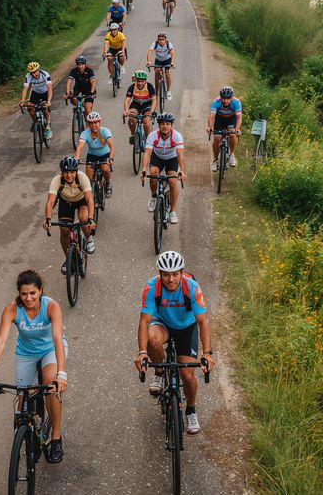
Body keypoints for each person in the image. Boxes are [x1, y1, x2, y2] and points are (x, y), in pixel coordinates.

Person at [0, 269, 69, 462]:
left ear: (41, 290)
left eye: (33, 293)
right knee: (23, 398)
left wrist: (61, 374)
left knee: (49, 384)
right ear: (19, 293)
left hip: (50, 350)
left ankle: (56, 436)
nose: (28, 298)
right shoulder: (12, 310)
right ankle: (27, 431)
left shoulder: (51, 306)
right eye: (24, 294)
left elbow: (57, 339)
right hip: (26, 353)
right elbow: (1, 342)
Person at [133, 251, 214, 435]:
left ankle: (191, 410)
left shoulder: (192, 287)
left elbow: (202, 322)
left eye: (175, 274)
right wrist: (142, 352)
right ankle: (159, 373)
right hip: (162, 323)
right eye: (166, 275)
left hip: (186, 327)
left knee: (187, 375)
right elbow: (144, 322)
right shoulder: (151, 287)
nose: (171, 279)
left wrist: (207, 353)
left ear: (181, 273)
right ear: (160, 274)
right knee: (153, 339)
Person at [44, 157, 96, 259]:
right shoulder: (57, 180)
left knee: (83, 218)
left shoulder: (82, 177)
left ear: (76, 171)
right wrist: (48, 219)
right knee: (64, 230)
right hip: (66, 202)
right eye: (66, 172)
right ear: (62, 172)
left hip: (81, 200)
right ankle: (68, 258)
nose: (69, 175)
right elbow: (50, 202)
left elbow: (90, 200)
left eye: (72, 172)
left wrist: (91, 219)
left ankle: (89, 238)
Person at [140, 112, 185, 223]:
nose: (165, 126)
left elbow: (180, 155)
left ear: (171, 125)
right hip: (157, 157)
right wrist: (144, 169)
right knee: (153, 174)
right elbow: (147, 153)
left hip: (172, 158)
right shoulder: (153, 136)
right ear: (159, 125)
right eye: (163, 124)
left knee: (172, 181)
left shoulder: (177, 136)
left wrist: (182, 171)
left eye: (168, 124)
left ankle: (172, 211)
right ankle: (153, 196)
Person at [74, 111, 115, 197]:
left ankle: (108, 183)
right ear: (88, 124)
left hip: (105, 155)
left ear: (99, 122)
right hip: (92, 156)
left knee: (105, 169)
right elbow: (80, 147)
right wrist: (76, 158)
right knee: (88, 179)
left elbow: (112, 147)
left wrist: (110, 158)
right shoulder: (85, 133)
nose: (94, 125)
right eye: (91, 123)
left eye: (96, 123)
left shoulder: (105, 131)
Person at [207, 85, 242, 170]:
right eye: (223, 98)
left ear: (232, 97)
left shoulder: (236, 102)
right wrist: (209, 126)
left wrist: (237, 129)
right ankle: (215, 160)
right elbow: (211, 116)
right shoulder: (216, 101)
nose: (226, 101)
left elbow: (239, 117)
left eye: (228, 98)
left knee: (232, 134)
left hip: (231, 119)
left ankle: (231, 154)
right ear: (221, 97)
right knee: (217, 138)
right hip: (219, 119)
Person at [122, 70, 157, 147]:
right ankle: (133, 134)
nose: (140, 83)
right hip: (136, 104)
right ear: (135, 80)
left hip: (147, 105)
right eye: (138, 81)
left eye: (142, 81)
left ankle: (148, 139)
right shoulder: (132, 87)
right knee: (131, 118)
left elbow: (154, 100)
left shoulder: (149, 86)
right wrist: (126, 111)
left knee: (146, 122)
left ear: (145, 81)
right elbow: (127, 101)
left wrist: (152, 111)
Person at [20, 61, 53, 140]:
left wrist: (48, 101)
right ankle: (35, 123)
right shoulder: (28, 76)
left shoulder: (45, 74)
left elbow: (49, 88)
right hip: (35, 93)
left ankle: (48, 127)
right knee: (30, 108)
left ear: (38, 69)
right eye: (32, 72)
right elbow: (25, 89)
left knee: (44, 108)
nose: (34, 74)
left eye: (35, 71)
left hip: (45, 92)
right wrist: (22, 101)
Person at [146, 32, 175, 100]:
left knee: (167, 73)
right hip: (158, 60)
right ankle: (156, 93)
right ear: (157, 39)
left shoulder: (168, 44)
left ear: (165, 39)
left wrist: (172, 62)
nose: (161, 41)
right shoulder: (155, 44)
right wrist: (148, 62)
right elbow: (150, 51)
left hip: (167, 60)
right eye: (159, 39)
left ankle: (168, 91)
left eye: (163, 39)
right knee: (157, 73)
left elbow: (172, 53)